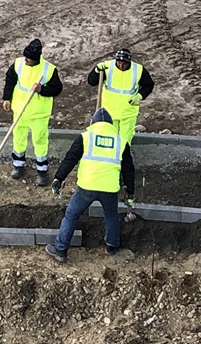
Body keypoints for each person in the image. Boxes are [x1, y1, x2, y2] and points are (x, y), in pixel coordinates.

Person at [44, 107, 137, 264]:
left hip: (86, 187)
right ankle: (111, 246)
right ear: (110, 124)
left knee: (72, 214)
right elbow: (128, 169)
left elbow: (70, 158)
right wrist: (130, 192)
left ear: (92, 123)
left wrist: (59, 178)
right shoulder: (121, 142)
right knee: (111, 215)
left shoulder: (85, 137)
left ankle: (60, 250)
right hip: (109, 189)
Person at [0, 38, 62, 184]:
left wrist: (42, 90)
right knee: (19, 138)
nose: (26, 60)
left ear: (36, 59)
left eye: (29, 58)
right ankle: (18, 165)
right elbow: (10, 80)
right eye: (26, 57)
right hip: (20, 109)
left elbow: (57, 89)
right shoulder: (18, 64)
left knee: (39, 141)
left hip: (39, 114)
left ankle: (41, 170)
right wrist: (7, 98)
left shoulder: (49, 70)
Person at [87, 48, 154, 151]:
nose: (121, 66)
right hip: (109, 113)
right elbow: (92, 82)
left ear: (129, 62)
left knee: (124, 143)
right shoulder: (107, 67)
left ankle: (122, 163)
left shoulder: (138, 70)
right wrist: (96, 71)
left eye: (124, 64)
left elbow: (149, 85)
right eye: (119, 63)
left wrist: (140, 96)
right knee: (107, 141)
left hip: (128, 113)